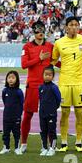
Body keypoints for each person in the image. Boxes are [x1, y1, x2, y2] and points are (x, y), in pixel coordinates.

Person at [52, 16, 82, 152]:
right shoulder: (59, 43)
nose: (74, 27)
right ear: (66, 27)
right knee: (64, 112)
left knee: (79, 113)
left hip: (79, 82)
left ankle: (78, 142)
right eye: (71, 25)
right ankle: (64, 143)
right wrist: (63, 66)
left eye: (77, 25)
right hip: (64, 82)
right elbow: (53, 61)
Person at [20, 21, 55, 153]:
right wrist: (39, 58)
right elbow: (24, 65)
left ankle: (47, 145)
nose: (40, 32)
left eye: (42, 29)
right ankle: (23, 143)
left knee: (47, 116)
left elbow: (55, 62)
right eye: (37, 30)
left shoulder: (50, 46)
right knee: (28, 115)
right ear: (33, 31)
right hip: (33, 85)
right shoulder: (27, 46)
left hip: (47, 87)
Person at [0, 71, 24, 155]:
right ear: (6, 79)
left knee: (16, 133)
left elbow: (21, 103)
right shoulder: (4, 91)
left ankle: (17, 148)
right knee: (6, 133)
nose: (11, 79)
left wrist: (18, 115)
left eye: (13, 78)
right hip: (6, 116)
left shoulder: (19, 92)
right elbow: (4, 101)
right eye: (9, 77)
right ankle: (6, 147)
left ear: (17, 80)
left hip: (16, 117)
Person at [38, 66, 61, 157]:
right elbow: (40, 99)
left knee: (51, 131)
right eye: (46, 74)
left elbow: (58, 98)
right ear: (43, 75)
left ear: (53, 76)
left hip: (51, 113)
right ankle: (44, 147)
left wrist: (54, 108)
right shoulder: (41, 87)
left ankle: (52, 148)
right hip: (42, 113)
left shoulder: (54, 87)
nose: (47, 76)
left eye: (49, 75)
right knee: (43, 130)